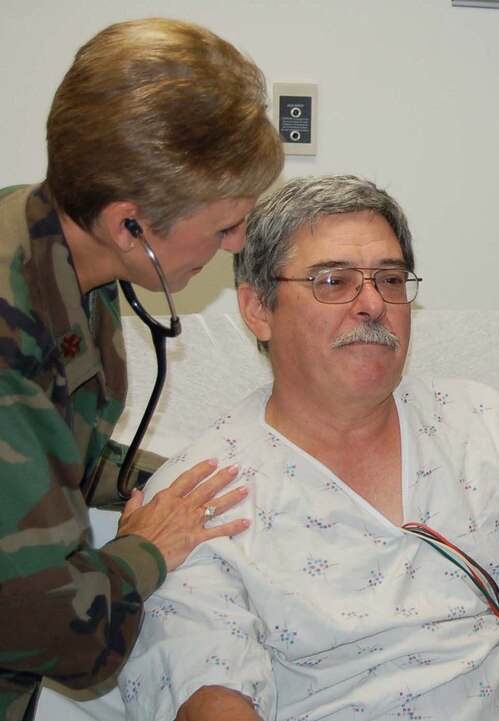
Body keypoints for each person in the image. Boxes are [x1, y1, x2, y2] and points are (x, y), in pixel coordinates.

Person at [118, 174, 499, 721]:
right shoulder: (199, 497)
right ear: (258, 309)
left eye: (390, 280)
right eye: (333, 281)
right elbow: (209, 692)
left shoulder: (482, 429)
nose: (373, 303)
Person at [0, 18, 283, 720]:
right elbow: (64, 635)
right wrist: (147, 548)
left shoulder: (56, 252)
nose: (238, 243)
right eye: (223, 226)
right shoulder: (10, 331)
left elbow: (53, 454)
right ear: (131, 224)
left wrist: (169, 475)